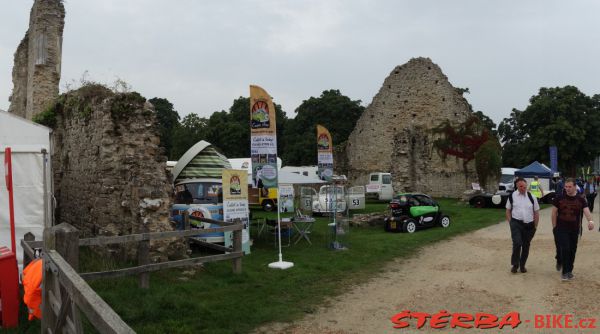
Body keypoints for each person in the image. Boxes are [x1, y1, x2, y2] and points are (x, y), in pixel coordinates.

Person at [551, 178, 595, 281]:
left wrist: (590, 221)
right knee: (565, 248)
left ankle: (569, 270)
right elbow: (553, 213)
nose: (567, 189)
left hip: (575, 229)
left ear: (575, 187)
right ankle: (565, 272)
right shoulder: (559, 198)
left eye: (570, 186)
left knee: (572, 250)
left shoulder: (580, 199)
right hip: (561, 228)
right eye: (566, 187)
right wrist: (554, 227)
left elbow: (586, 211)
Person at [506, 178, 540, 273]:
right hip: (516, 223)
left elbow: (536, 212)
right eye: (521, 186)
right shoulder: (512, 196)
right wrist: (511, 223)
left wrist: (535, 226)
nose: (523, 188)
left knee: (526, 245)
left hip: (529, 225)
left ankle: (522, 265)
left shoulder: (531, 197)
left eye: (524, 186)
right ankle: (515, 264)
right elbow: (508, 210)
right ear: (517, 186)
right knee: (517, 243)